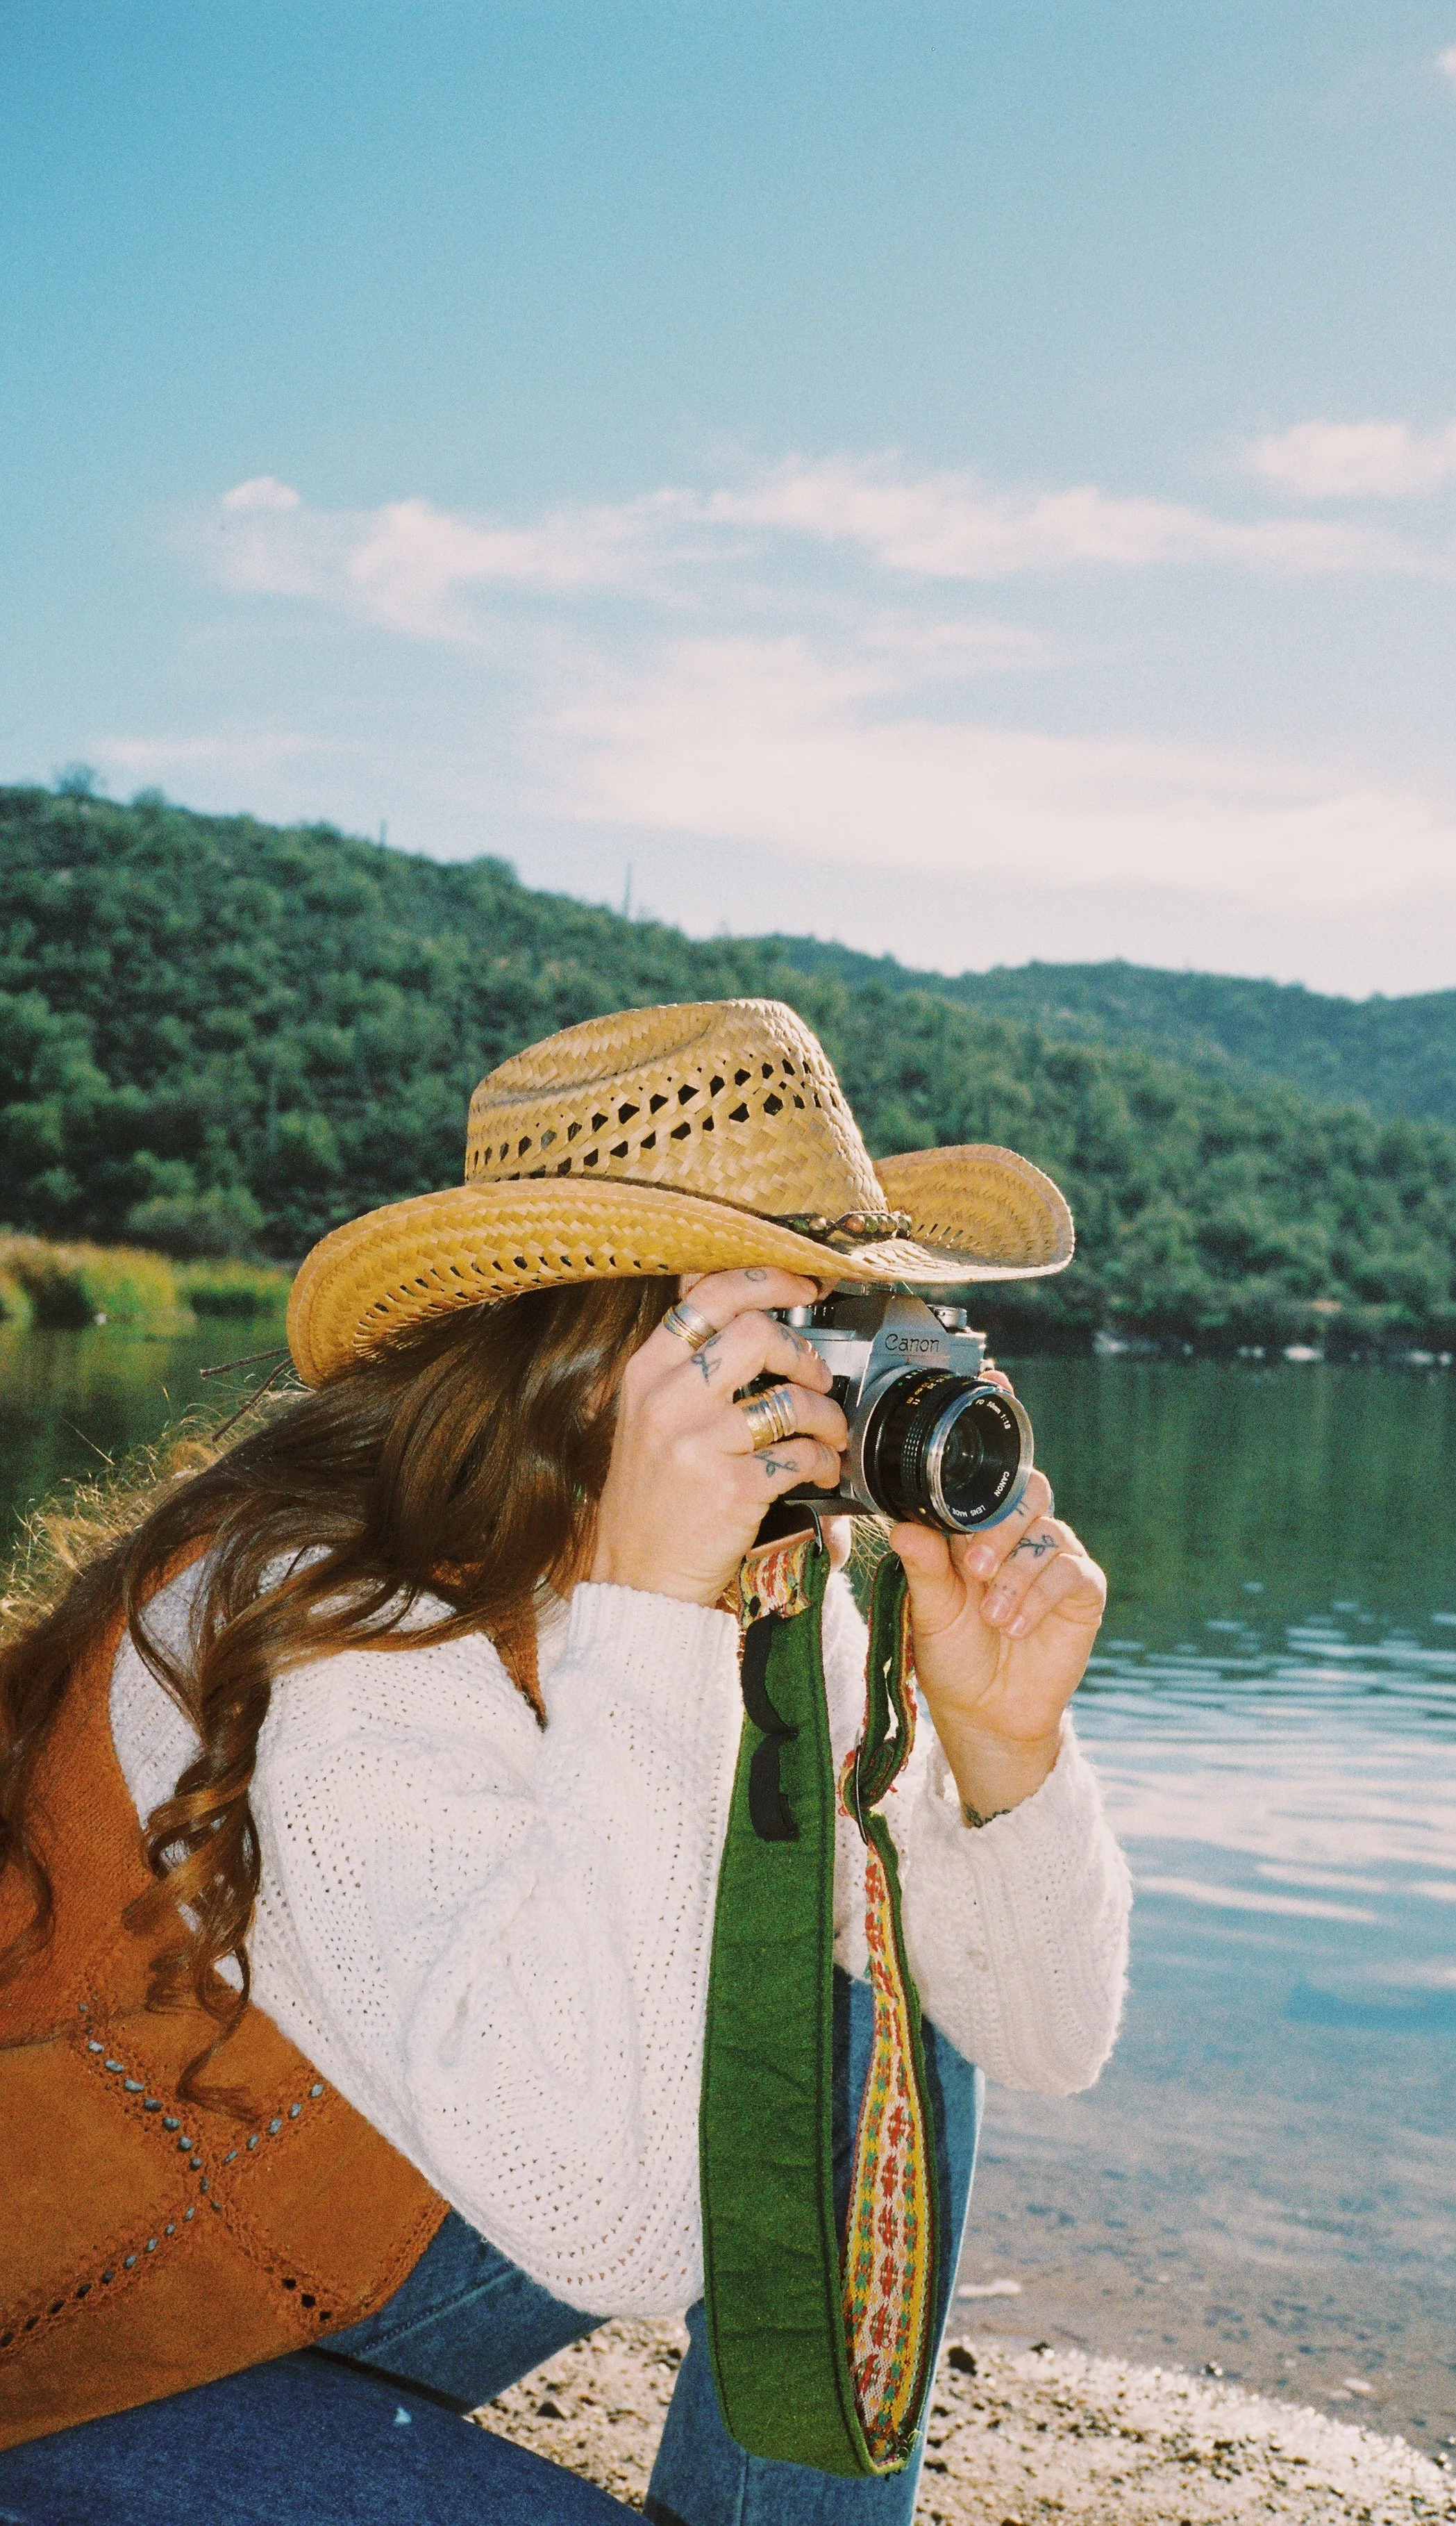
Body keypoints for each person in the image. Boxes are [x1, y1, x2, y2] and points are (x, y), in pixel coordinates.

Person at [0, 997, 1130, 2525]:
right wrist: (646, 1620)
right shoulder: (310, 1609)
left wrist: (1005, 1756)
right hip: (92, 2337)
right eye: (777, 1331)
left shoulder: (771, 1575)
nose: (826, 1389)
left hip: (375, 2220)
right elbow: (624, 2224)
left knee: (873, 2002)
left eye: (841, 1324)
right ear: (590, 1335)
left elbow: (1044, 2036)